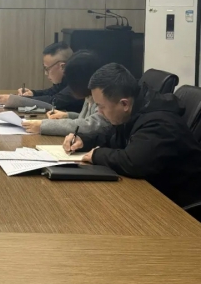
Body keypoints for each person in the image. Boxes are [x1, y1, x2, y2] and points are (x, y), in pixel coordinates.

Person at [63, 63, 201, 208]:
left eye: (101, 106)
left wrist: (97, 155)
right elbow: (113, 138)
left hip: (179, 208)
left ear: (124, 104)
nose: (98, 111)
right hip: (152, 192)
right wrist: (84, 141)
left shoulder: (159, 122)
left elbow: (133, 162)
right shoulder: (134, 110)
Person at [22, 50, 111, 137]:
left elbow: (90, 125)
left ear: (81, 80)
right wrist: (66, 115)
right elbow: (86, 119)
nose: (70, 87)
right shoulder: (89, 94)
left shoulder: (102, 97)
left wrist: (43, 126)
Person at [0, 41, 83, 113]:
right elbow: (51, 92)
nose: (46, 73)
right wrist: (33, 93)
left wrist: (17, 100)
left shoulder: (78, 81)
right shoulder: (65, 79)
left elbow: (54, 101)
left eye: (47, 69)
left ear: (62, 66)